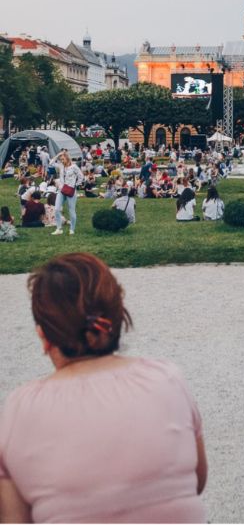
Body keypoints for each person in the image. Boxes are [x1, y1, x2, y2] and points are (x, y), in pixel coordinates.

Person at [0, 252, 206, 522]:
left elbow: (14, 519)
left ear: (44, 336)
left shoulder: (20, 410)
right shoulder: (167, 379)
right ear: (117, 319)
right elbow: (197, 480)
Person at [49, 151, 84, 236]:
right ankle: (59, 228)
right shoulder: (61, 166)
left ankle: (72, 229)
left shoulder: (74, 167)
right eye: (61, 159)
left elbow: (81, 176)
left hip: (71, 190)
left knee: (71, 210)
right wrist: (58, 155)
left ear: (67, 158)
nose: (62, 161)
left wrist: (75, 185)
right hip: (61, 190)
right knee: (56, 209)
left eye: (63, 159)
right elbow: (51, 163)